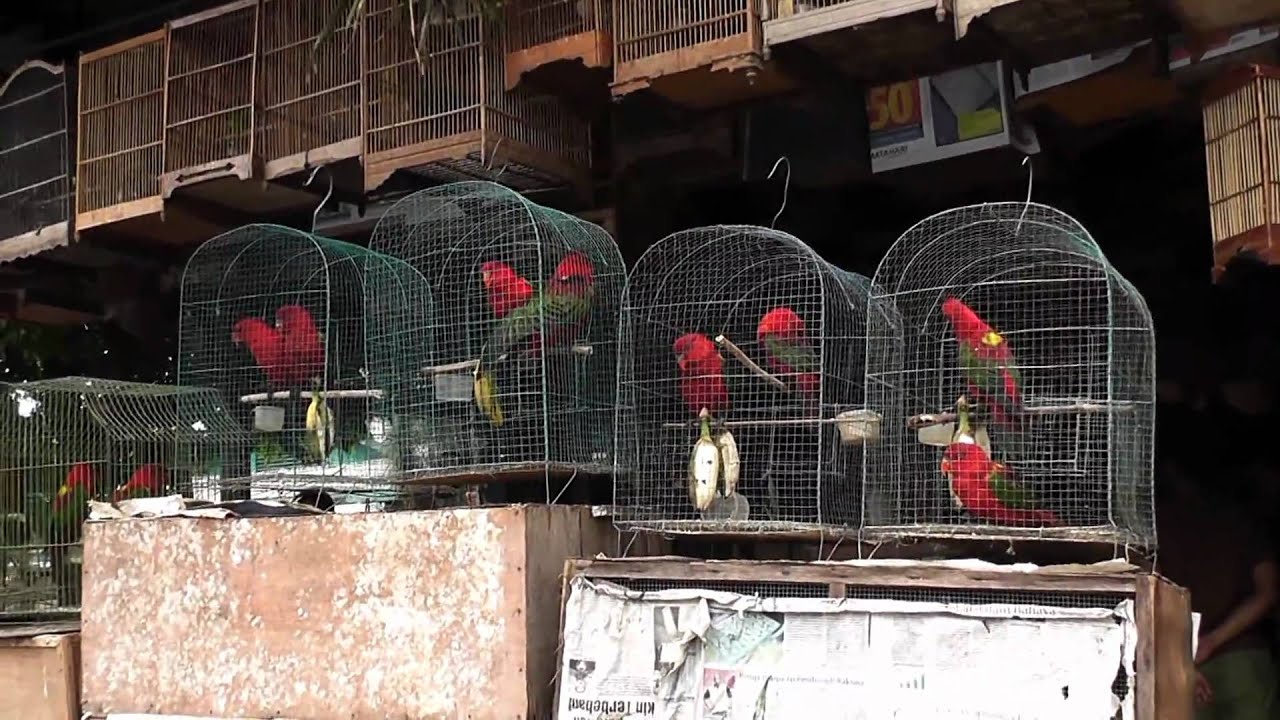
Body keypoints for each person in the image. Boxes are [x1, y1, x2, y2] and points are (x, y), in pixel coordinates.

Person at [1158, 451, 1280, 720]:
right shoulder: (1243, 518)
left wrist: (1183, 657)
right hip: (1244, 661)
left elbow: (1151, 599)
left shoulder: (1158, 524)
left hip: (1184, 663)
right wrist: (1213, 641)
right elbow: (1268, 592)